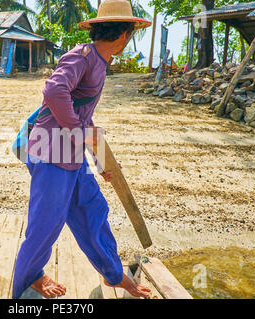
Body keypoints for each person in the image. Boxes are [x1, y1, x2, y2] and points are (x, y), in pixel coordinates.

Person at [12, 0, 152, 299]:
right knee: (45, 228)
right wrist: (79, 135)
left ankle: (114, 275)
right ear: (124, 34)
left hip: (71, 154)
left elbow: (82, 116)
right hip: (51, 152)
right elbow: (53, 90)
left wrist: (103, 162)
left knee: (93, 211)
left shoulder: (99, 63)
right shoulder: (84, 56)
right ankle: (24, 286)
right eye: (130, 35)